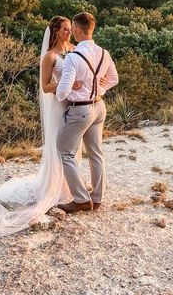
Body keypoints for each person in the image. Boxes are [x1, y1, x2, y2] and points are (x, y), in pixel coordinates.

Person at [0, 16, 84, 238]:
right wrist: (68, 84)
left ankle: (73, 184)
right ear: (54, 31)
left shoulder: (73, 50)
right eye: (64, 29)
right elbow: (45, 87)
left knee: (73, 146)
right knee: (58, 145)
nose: (68, 33)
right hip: (58, 104)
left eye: (70, 29)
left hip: (74, 104)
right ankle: (57, 187)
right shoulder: (49, 56)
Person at [56, 12, 118, 213]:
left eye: (73, 28)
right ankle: (97, 198)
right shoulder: (104, 53)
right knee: (96, 153)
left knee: (65, 153)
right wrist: (99, 88)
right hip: (99, 107)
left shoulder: (73, 57)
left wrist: (65, 90)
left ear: (77, 30)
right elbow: (114, 79)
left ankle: (82, 199)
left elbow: (63, 91)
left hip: (80, 109)